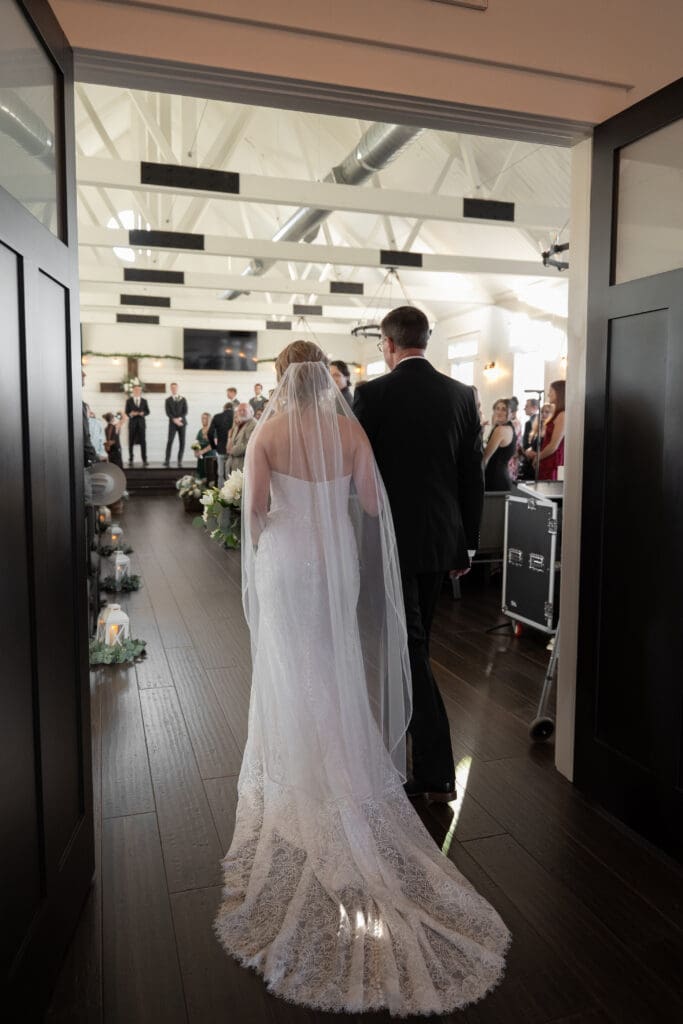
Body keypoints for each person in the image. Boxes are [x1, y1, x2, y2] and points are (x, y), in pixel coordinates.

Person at [214, 339, 509, 1016]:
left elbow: (255, 509)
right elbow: (373, 508)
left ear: (283, 379)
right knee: (334, 657)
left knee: (295, 662)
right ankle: (347, 762)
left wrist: (274, 522)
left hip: (287, 563)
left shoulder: (268, 431)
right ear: (327, 380)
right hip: (337, 562)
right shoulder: (348, 431)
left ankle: (303, 765)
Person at [354, 306, 484, 802]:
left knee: (410, 650)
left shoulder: (371, 395)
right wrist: (467, 542)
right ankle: (413, 760)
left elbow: (359, 474)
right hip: (442, 539)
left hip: (391, 542)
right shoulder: (461, 395)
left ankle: (434, 773)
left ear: (388, 344)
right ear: (425, 340)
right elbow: (469, 476)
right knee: (417, 644)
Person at [525, 380, 566, 481]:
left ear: (559, 392)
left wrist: (538, 457)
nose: (548, 394)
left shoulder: (562, 415)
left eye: (551, 391)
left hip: (553, 460)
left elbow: (554, 445)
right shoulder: (557, 413)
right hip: (547, 458)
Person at [483, 398, 516, 491]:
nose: (499, 412)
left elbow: (485, 458)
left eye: (504, 409)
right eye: (497, 408)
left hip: (495, 478)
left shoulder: (501, 430)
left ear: (512, 413)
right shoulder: (509, 428)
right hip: (501, 476)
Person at [208, 402, 234, 486]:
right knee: (230, 474)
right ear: (232, 408)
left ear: (224, 408)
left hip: (220, 448)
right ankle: (231, 494)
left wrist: (214, 446)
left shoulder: (217, 417)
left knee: (220, 473)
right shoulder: (236, 417)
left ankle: (220, 494)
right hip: (233, 449)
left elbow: (210, 433)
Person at [124, 385, 150, 467]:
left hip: (141, 424)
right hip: (132, 424)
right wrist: (131, 414)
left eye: (139, 390)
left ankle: (144, 459)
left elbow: (148, 411)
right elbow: (126, 412)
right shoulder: (129, 401)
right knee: (131, 441)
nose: (137, 391)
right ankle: (131, 459)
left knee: (143, 441)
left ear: (140, 391)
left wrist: (143, 413)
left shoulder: (144, 401)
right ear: (133, 391)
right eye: (136, 390)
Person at [226, 402, 256, 472]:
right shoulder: (238, 425)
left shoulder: (254, 424)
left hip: (244, 465)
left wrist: (232, 450)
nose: (241, 412)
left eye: (244, 410)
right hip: (234, 464)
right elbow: (229, 446)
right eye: (239, 410)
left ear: (251, 412)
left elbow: (250, 444)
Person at [164, 382, 187, 467]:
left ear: (177, 388)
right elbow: (168, 412)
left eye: (175, 387)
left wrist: (179, 419)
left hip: (182, 423)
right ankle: (167, 460)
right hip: (172, 423)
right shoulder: (168, 400)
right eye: (172, 388)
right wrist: (174, 420)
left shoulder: (183, 399)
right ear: (171, 389)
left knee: (182, 442)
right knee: (170, 441)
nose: (174, 389)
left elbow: (185, 411)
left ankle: (179, 460)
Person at [194, 411, 216, 478]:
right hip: (201, 457)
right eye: (202, 418)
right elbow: (196, 442)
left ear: (209, 420)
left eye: (205, 418)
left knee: (209, 476)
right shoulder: (200, 431)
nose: (202, 420)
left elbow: (213, 444)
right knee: (200, 475)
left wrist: (202, 451)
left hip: (210, 456)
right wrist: (196, 452)